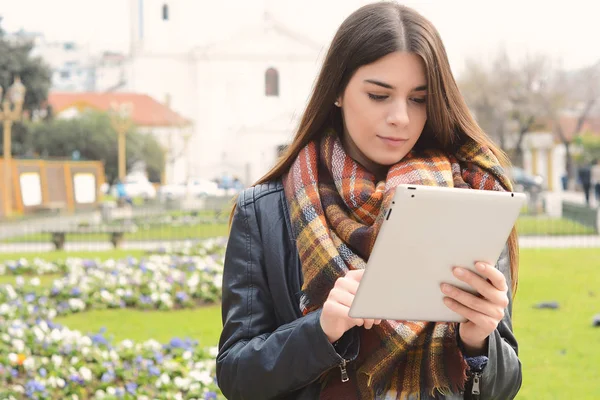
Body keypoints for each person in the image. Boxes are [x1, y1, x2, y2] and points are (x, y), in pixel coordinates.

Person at [216, 2, 522, 399]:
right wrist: (321, 329)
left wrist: (479, 342)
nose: (401, 117)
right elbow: (237, 376)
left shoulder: (474, 198)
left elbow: (506, 385)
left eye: (419, 99)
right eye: (379, 95)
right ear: (338, 92)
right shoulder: (263, 212)